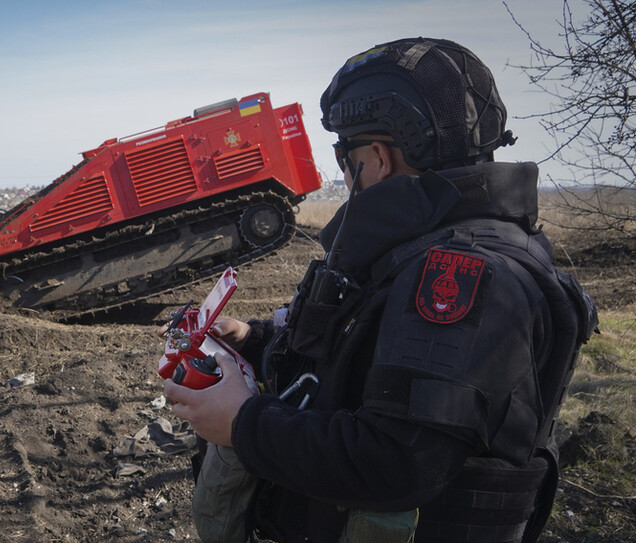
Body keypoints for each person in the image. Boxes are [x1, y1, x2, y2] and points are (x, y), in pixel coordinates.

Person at [163, 37, 599, 543]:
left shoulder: (461, 273)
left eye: (342, 155)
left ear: (377, 157)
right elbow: (361, 368)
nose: (343, 171)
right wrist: (255, 340)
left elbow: (398, 462)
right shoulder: (414, 249)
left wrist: (242, 423)